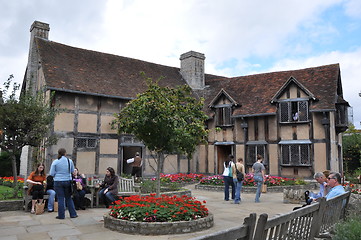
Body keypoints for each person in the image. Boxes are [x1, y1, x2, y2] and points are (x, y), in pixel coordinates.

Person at [49, 148, 78, 219]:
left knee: (60, 198)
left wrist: (57, 174)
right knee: (68, 198)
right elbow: (72, 171)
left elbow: (51, 173)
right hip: (67, 180)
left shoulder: (55, 162)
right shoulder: (69, 161)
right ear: (65, 153)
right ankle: (73, 214)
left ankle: (61, 215)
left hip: (58, 181)